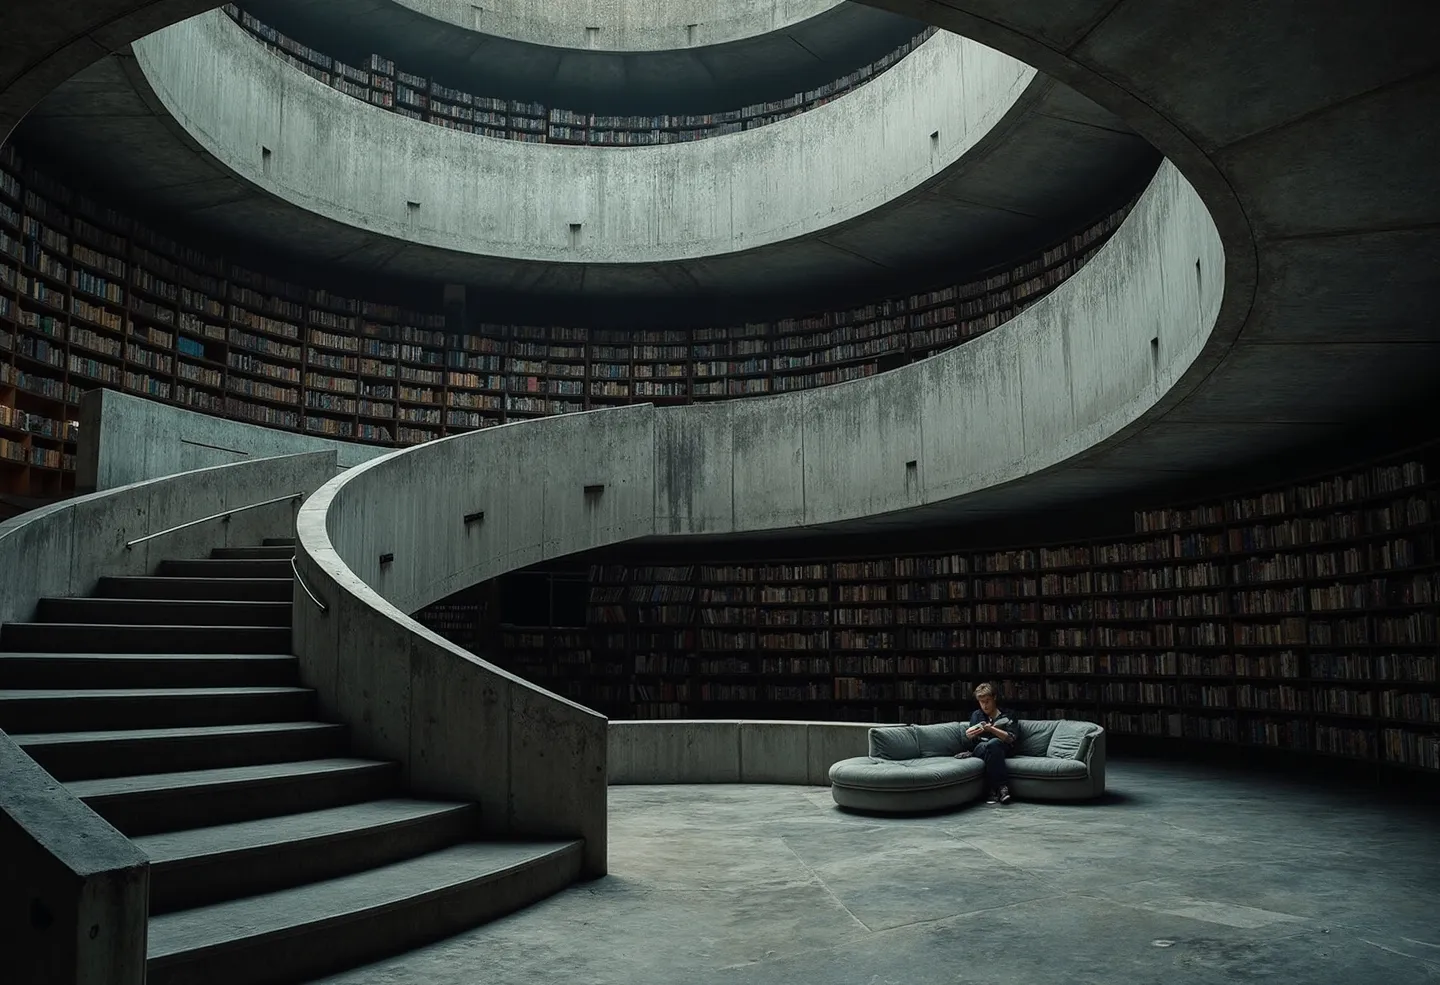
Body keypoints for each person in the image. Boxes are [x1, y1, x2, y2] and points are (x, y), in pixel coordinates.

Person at [954, 682, 1020, 804]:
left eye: (987, 701)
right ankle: (1002, 788)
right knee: (987, 746)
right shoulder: (977, 715)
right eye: (981, 702)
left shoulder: (1008, 715)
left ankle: (993, 791)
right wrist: (969, 736)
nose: (984, 705)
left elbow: (1011, 738)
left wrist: (992, 729)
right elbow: (973, 742)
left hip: (1002, 748)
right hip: (981, 747)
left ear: (994, 698)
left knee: (993, 744)